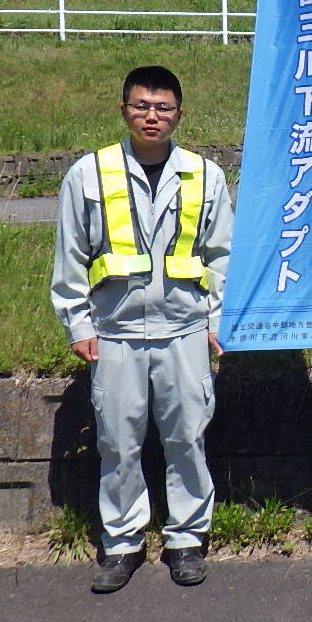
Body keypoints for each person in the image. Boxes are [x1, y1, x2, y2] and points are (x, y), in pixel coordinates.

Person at [50, 65, 234, 593]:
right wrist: (77, 323)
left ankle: (187, 539)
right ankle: (122, 542)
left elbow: (222, 255)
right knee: (118, 441)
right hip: (115, 331)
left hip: (185, 329)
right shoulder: (89, 174)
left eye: (163, 108)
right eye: (141, 106)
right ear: (123, 109)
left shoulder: (205, 174)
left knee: (187, 438)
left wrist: (217, 321)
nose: (151, 116)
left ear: (179, 113)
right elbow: (70, 258)